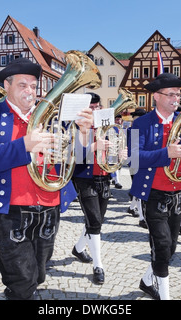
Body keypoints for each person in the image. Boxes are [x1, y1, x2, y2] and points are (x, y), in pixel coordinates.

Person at [0, 58, 94, 300]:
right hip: (12, 208)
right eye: (23, 85)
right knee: (22, 278)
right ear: (7, 85)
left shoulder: (54, 118)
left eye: (34, 86)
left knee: (38, 273)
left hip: (49, 205)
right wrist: (24, 145)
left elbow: (76, 158)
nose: (30, 91)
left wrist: (85, 134)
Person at [129, 73, 181, 300]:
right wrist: (166, 153)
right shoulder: (141, 123)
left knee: (171, 248)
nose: (176, 98)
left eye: (178, 94)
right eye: (171, 94)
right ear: (156, 96)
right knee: (163, 244)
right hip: (153, 193)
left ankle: (147, 281)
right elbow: (134, 159)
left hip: (178, 192)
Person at [71, 92, 125, 285]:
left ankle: (78, 248)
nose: (94, 110)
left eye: (97, 107)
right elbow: (74, 156)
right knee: (94, 222)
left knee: (97, 221)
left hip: (104, 178)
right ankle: (98, 265)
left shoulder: (109, 127)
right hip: (84, 178)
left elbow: (114, 158)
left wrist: (119, 154)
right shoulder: (76, 127)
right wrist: (94, 145)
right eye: (91, 108)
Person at [127, 108, 147, 229]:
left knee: (138, 187)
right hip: (134, 161)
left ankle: (131, 208)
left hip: (143, 161)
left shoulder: (143, 129)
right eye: (137, 117)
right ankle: (142, 218)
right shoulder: (132, 130)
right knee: (139, 188)